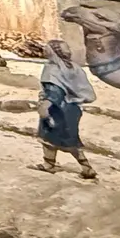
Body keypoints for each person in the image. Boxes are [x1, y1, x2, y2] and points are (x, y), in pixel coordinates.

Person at [35, 39, 97, 179]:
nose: (45, 51)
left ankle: (86, 167)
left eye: (47, 48)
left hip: (57, 110)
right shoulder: (74, 68)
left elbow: (55, 92)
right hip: (72, 109)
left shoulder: (53, 70)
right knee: (51, 138)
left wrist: (45, 106)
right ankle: (49, 164)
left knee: (64, 140)